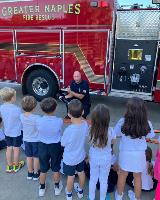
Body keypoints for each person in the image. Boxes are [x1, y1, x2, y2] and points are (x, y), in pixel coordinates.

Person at [114, 97, 155, 200]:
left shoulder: (122, 121)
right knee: (138, 177)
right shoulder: (147, 123)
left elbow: (116, 133)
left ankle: (119, 196)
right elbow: (150, 136)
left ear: (128, 110)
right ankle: (137, 198)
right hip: (140, 155)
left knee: (122, 175)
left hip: (125, 154)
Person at [61, 99, 89, 200]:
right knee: (81, 173)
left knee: (71, 176)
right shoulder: (85, 125)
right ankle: (80, 191)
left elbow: (63, 143)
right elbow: (86, 135)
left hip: (69, 158)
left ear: (69, 114)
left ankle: (69, 194)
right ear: (82, 112)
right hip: (80, 156)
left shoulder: (69, 130)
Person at [88, 104, 116, 200]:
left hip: (94, 158)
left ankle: (91, 197)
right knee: (104, 180)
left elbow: (90, 143)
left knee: (93, 178)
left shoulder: (91, 130)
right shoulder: (111, 131)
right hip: (106, 158)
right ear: (107, 118)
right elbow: (112, 143)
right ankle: (102, 198)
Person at [37, 97, 63, 197]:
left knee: (43, 168)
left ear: (42, 109)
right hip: (55, 146)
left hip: (42, 145)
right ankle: (57, 187)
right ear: (55, 109)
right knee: (55, 167)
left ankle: (42, 188)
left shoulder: (38, 121)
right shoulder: (59, 121)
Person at [0, 87, 24, 173]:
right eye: (15, 96)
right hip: (16, 132)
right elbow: (21, 119)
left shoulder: (1, 107)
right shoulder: (16, 109)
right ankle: (16, 165)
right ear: (12, 98)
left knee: (9, 148)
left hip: (7, 131)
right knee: (16, 149)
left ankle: (9, 166)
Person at [20, 96, 40, 180]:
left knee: (28, 156)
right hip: (35, 140)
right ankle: (36, 173)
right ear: (34, 106)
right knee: (36, 157)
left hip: (26, 139)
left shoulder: (21, 116)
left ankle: (30, 172)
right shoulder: (37, 118)